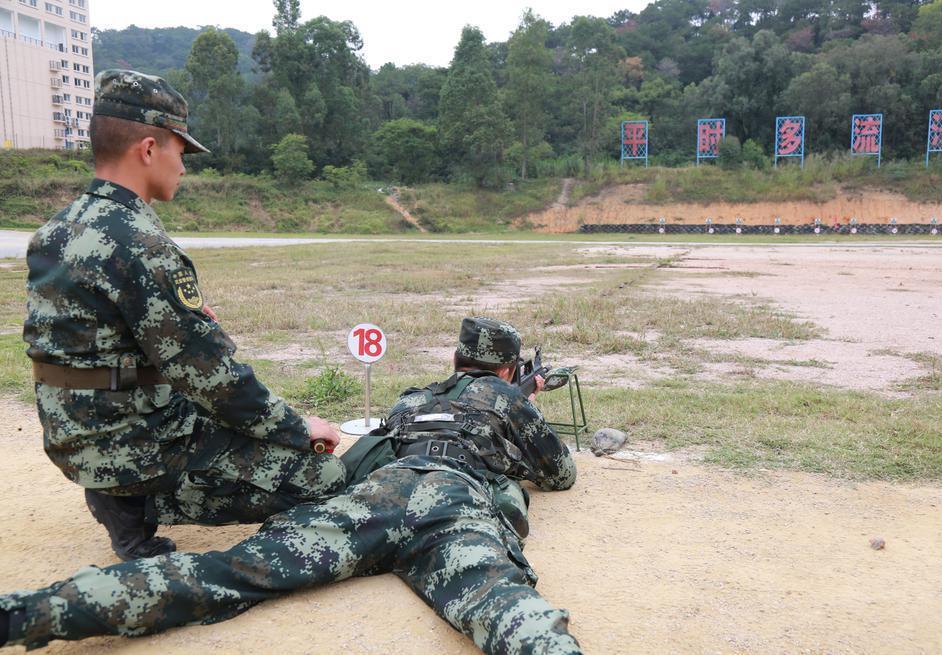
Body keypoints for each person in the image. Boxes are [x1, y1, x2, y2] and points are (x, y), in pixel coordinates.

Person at [0, 318, 582, 654]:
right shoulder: (508, 398)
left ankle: (28, 613)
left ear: (456, 358)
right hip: (452, 505)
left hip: (372, 498)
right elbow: (560, 474)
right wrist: (522, 402)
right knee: (502, 605)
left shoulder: (412, 399)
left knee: (228, 573)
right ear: (507, 371)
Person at [22, 69, 346, 562]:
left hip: (75, 432)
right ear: (149, 149)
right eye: (180, 151)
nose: (184, 167)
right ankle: (139, 500)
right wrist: (299, 427)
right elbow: (215, 379)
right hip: (130, 440)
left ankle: (120, 498)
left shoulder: (58, 229)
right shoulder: (139, 243)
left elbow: (87, 340)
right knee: (323, 475)